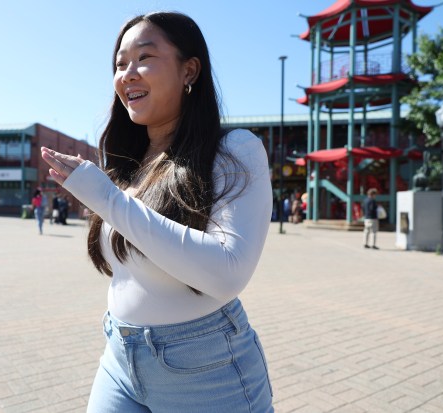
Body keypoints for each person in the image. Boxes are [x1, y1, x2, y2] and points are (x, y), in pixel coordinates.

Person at [41, 12, 273, 412]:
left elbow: (227, 272)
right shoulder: (127, 163)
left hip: (207, 370)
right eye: (119, 64)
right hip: (120, 355)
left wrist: (108, 199)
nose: (127, 74)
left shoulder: (234, 149)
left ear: (190, 70)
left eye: (144, 58)